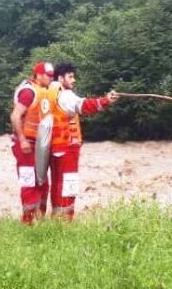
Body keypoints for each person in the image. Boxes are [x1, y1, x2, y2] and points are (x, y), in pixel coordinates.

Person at [47, 62, 118, 220]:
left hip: (55, 147)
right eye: (70, 77)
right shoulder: (65, 95)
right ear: (60, 78)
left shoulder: (49, 93)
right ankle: (65, 221)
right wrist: (105, 101)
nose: (74, 80)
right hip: (67, 147)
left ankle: (57, 218)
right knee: (69, 185)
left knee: (58, 184)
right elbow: (84, 106)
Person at [9, 61, 55, 224]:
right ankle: (28, 221)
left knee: (42, 182)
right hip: (26, 144)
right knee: (30, 182)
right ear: (39, 75)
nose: (51, 78)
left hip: (39, 145)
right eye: (48, 76)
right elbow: (15, 116)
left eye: (52, 76)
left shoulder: (44, 91)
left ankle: (40, 219)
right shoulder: (29, 92)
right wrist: (22, 140)